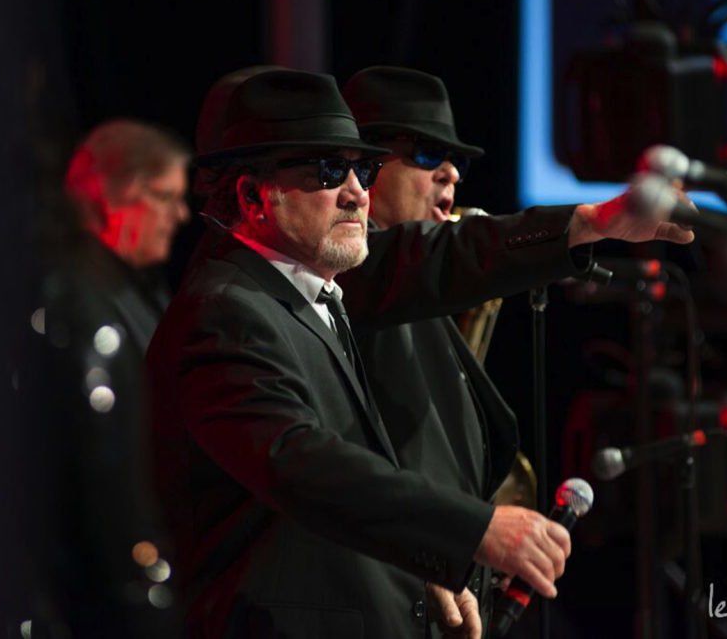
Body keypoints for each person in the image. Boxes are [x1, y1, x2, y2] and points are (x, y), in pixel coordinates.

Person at [147, 68, 694, 638]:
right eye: (330, 171)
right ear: (253, 196)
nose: (357, 191)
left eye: (363, 170)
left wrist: (418, 569)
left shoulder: (313, 298)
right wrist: (472, 530)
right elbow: (303, 465)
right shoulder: (225, 310)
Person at [339, 65, 531, 633]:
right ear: (365, 166)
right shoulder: (352, 272)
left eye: (457, 161)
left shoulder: (413, 287)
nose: (451, 173)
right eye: (426, 153)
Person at [28, 119, 191, 636]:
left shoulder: (135, 291)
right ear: (115, 195)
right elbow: (103, 480)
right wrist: (149, 602)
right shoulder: (80, 302)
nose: (181, 215)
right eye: (167, 197)